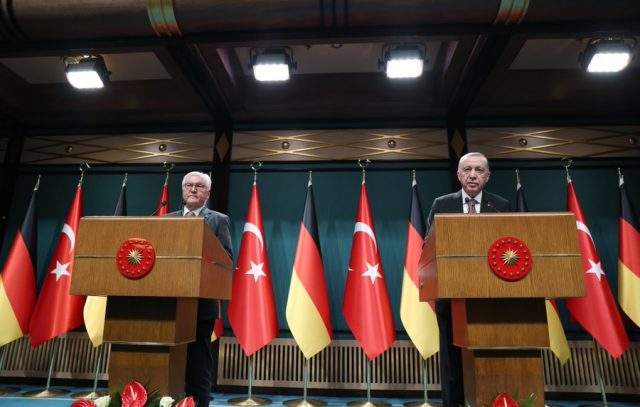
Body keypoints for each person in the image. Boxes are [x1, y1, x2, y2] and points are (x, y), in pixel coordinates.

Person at [426, 152, 510, 407]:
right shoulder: (441, 204)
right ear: (459, 175)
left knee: (487, 359)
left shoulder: (501, 206)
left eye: (479, 170)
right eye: (468, 170)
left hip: (490, 298)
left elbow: (509, 246)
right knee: (452, 364)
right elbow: (428, 248)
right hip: (451, 297)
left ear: (488, 176)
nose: (473, 175)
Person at [166, 171, 233, 407]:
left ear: (208, 193)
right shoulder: (167, 220)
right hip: (169, 305)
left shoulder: (218, 220)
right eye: (188, 185)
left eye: (199, 186)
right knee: (170, 365)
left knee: (198, 366)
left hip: (201, 307)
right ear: (182, 190)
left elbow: (226, 260)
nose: (193, 189)